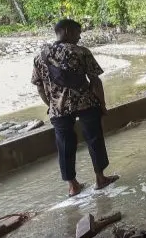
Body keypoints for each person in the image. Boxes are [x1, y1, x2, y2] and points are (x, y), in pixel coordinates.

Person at [32, 19, 119, 197]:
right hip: (86, 103)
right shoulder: (81, 52)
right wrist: (102, 104)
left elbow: (39, 86)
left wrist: (51, 105)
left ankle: (73, 186)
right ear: (66, 31)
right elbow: (95, 81)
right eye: (78, 33)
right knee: (94, 138)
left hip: (58, 109)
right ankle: (100, 178)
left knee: (64, 145)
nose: (79, 37)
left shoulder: (40, 57)